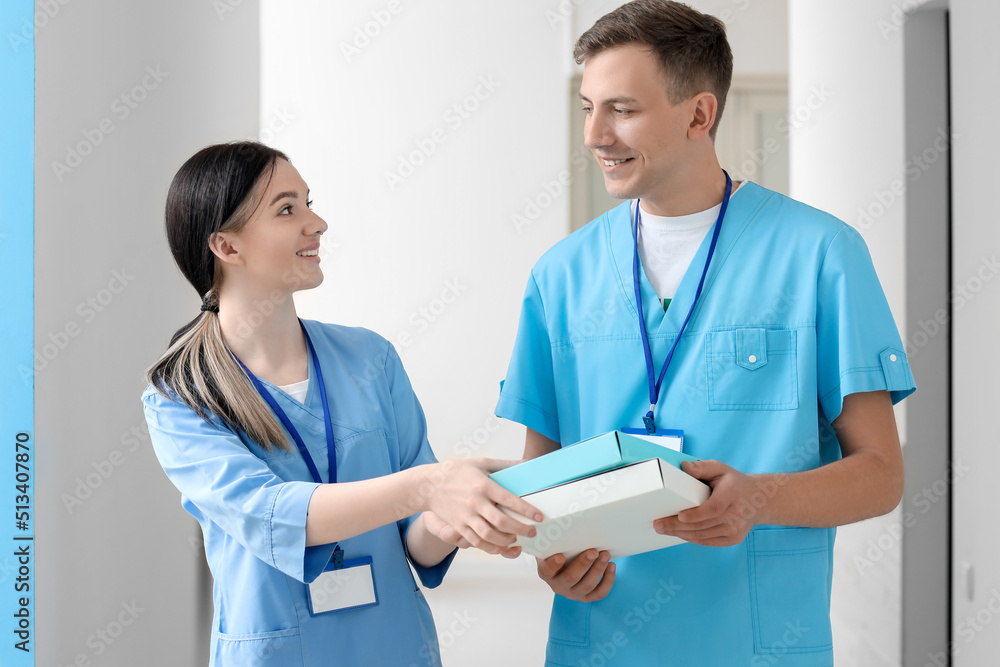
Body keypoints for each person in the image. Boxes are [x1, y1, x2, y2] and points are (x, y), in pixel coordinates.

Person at [495, 1, 916, 665]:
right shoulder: (560, 275)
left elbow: (881, 475)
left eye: (622, 109)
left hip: (756, 644)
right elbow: (539, 477)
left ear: (699, 114)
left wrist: (760, 496)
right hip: (599, 641)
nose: (595, 134)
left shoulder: (820, 254)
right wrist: (551, 551)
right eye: (587, 106)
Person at [141, 141, 541, 666]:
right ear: (227, 247)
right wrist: (430, 486)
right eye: (288, 210)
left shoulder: (370, 358)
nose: (318, 222)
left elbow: (416, 541)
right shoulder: (180, 396)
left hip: (393, 647)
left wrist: (453, 519)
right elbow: (273, 515)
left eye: (309, 202)